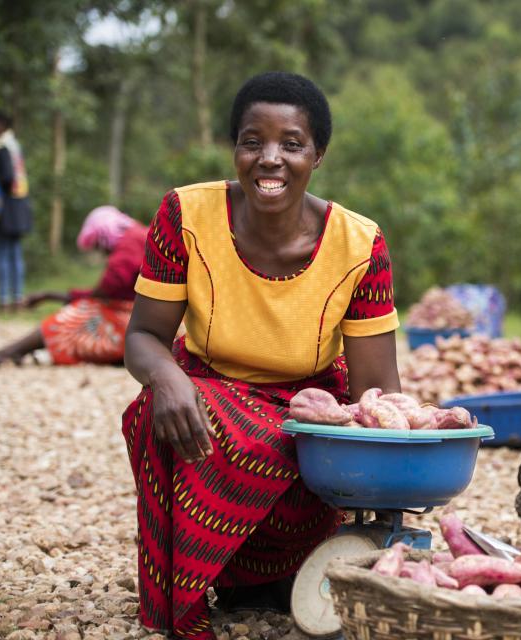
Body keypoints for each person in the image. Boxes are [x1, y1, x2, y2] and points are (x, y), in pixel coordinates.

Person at [121, 72, 401, 639]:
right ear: (236, 149)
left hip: (309, 406)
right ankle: (188, 592)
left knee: (287, 444)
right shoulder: (185, 216)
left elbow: (376, 393)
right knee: (159, 413)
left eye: (291, 144)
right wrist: (168, 379)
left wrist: (400, 482)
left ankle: (268, 570)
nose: (270, 159)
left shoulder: (359, 243)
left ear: (318, 155)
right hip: (209, 389)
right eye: (253, 142)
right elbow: (142, 336)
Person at [0, 206, 147, 365]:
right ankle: (14, 352)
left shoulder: (128, 246)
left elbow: (102, 292)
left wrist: (48, 296)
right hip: (148, 319)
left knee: (81, 312)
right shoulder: (137, 235)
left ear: (104, 233)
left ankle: (12, 352)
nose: (102, 251)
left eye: (97, 244)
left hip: (140, 323)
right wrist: (49, 296)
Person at [0, 111, 33, 310]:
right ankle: (17, 298)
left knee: (3, 253)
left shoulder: (2, 148)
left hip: (5, 210)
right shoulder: (14, 145)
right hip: (18, 208)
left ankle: (4, 299)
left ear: (0, 125)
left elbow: (6, 177)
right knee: (14, 254)